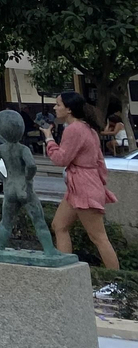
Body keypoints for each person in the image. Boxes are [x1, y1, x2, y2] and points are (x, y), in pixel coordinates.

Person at [40, 92, 120, 269]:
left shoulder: (74, 129)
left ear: (69, 109)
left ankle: (116, 280)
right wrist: (99, 183)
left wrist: (49, 139)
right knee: (59, 225)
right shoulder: (88, 128)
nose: (55, 108)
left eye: (58, 104)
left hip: (83, 186)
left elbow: (61, 159)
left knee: (98, 237)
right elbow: (99, 161)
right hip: (81, 186)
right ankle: (66, 270)